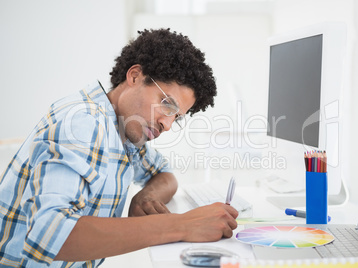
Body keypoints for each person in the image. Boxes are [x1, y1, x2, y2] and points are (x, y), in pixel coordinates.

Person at [0, 28, 238, 267]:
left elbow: (164, 174)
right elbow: (48, 235)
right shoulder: (84, 123)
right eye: (166, 104)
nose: (167, 124)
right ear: (134, 76)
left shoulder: (125, 130)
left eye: (176, 117)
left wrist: (145, 197)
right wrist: (183, 225)